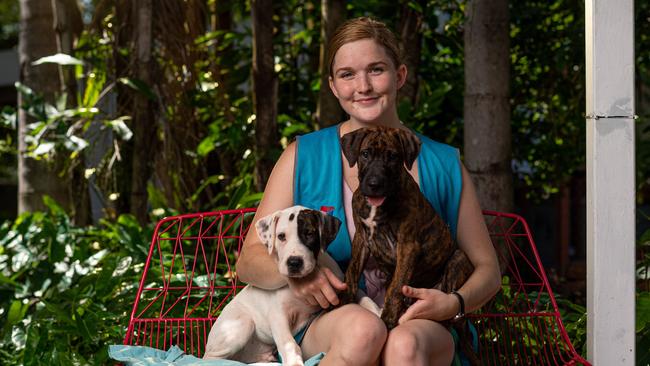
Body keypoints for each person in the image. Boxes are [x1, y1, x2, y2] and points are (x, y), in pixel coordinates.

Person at [236, 16, 502, 366]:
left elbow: (488, 269)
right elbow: (248, 262)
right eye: (347, 74)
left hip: (422, 320)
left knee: (402, 345)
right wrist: (300, 274)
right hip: (330, 320)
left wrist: (453, 303)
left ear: (400, 76)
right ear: (333, 86)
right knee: (365, 332)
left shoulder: (443, 163)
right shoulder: (303, 156)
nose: (363, 86)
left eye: (376, 70)